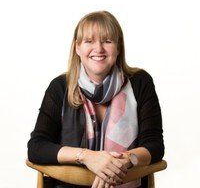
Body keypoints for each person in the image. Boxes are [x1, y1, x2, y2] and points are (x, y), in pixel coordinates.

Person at [27, 10, 164, 188]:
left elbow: (154, 145)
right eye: (89, 41)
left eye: (107, 41)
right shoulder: (60, 87)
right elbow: (37, 147)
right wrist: (88, 157)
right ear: (77, 47)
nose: (98, 49)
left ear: (118, 47)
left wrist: (120, 163)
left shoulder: (140, 82)